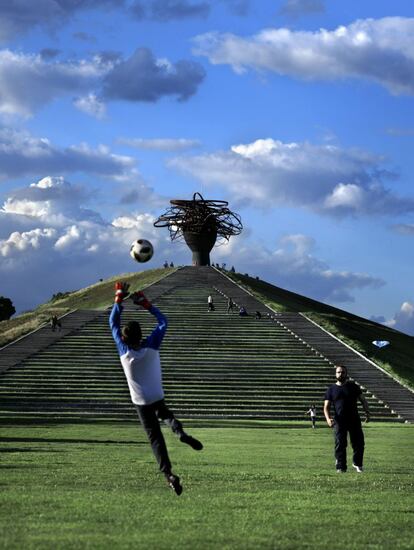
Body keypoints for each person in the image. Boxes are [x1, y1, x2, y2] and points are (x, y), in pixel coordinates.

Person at [109, 282, 203, 495]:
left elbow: (113, 323)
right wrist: (146, 304)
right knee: (166, 414)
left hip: (141, 401)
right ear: (141, 335)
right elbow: (163, 322)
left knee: (155, 438)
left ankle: (169, 474)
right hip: (156, 395)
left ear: (124, 338)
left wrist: (118, 299)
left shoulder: (124, 351)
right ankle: (179, 431)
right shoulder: (151, 345)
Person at [324, 365, 370, 473]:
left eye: (343, 372)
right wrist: (328, 419)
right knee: (340, 443)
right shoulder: (331, 389)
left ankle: (357, 464)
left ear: (346, 374)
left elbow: (363, 400)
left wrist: (367, 413)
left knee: (359, 443)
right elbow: (326, 407)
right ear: (335, 374)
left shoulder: (353, 386)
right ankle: (341, 467)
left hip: (354, 419)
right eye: (339, 372)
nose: (341, 374)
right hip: (339, 421)